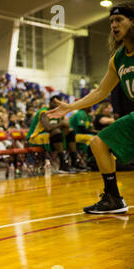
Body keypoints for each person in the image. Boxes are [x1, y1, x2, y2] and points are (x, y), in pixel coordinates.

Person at [47, 2, 133, 214]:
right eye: (111, 21)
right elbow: (100, 92)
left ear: (133, 22)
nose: (113, 24)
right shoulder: (117, 60)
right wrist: (70, 107)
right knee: (98, 143)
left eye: (119, 20)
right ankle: (113, 198)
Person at [26, 95, 83, 173]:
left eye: (59, 103)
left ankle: (74, 161)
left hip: (50, 136)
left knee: (70, 131)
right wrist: (62, 123)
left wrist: (65, 126)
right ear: (50, 103)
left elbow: (64, 126)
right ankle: (63, 164)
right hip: (34, 137)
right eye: (55, 103)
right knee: (57, 132)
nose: (57, 105)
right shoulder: (43, 112)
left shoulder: (58, 113)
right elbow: (47, 128)